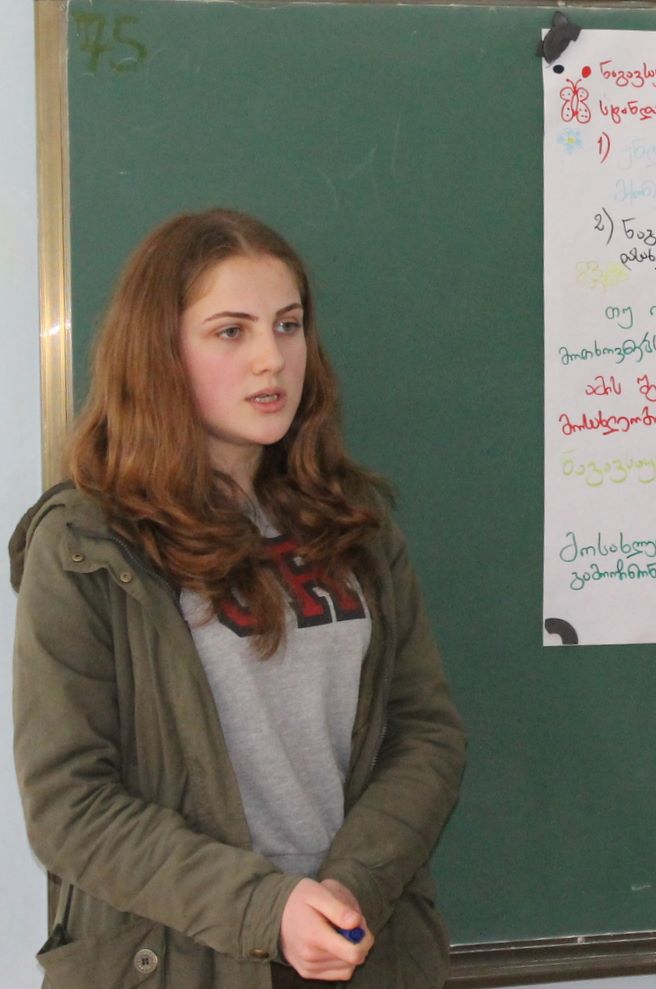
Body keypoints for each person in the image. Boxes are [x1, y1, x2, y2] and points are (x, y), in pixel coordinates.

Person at [10, 209, 467, 988]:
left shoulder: (353, 521)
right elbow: (69, 803)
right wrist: (267, 908)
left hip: (359, 942)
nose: (272, 359)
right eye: (231, 331)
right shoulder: (85, 543)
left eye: (289, 325)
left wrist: (350, 886)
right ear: (160, 351)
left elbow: (425, 733)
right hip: (181, 957)